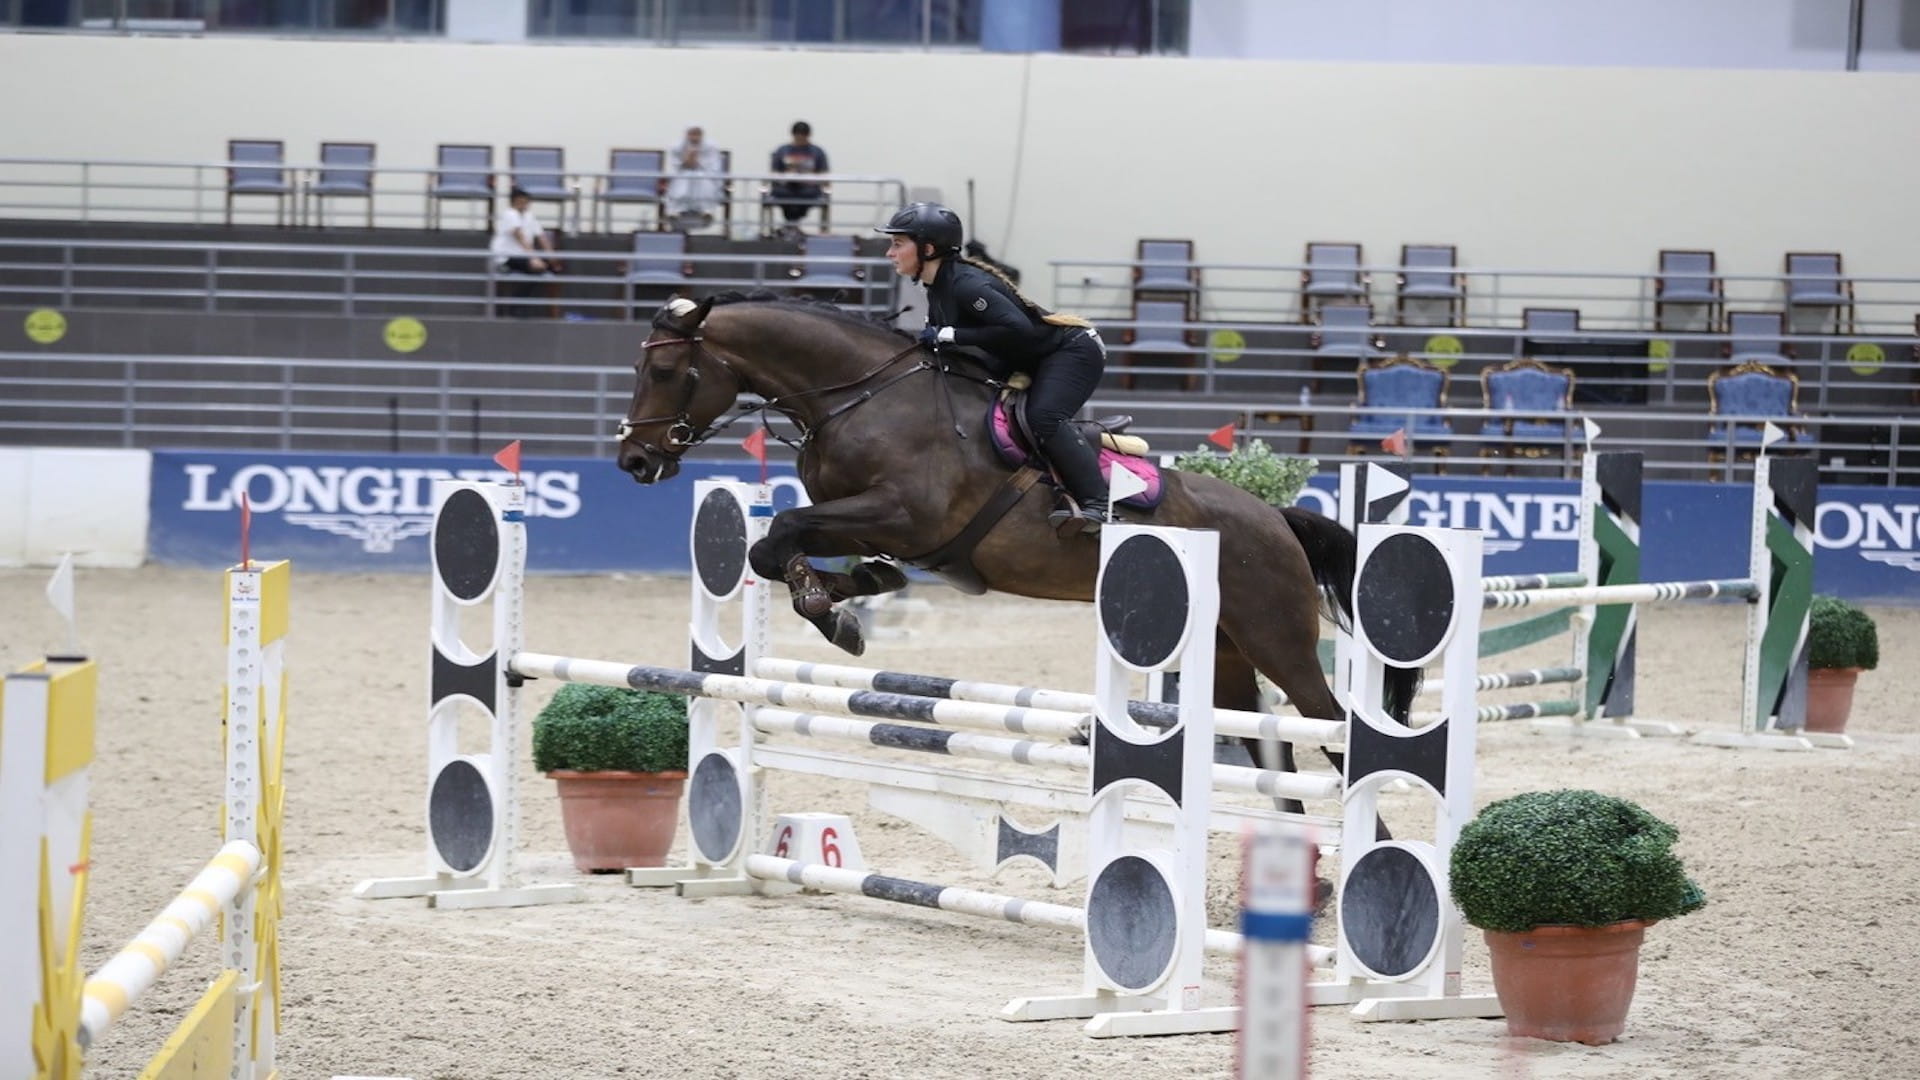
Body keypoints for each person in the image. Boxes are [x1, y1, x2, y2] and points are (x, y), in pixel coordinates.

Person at [877, 201, 1111, 535]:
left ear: (927, 249)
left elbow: (1019, 328)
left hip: (1072, 352)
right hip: (1027, 356)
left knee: (1043, 416)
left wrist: (949, 334)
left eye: (897, 243)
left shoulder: (966, 285)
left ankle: (1098, 504)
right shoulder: (938, 287)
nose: (890, 253)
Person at [490, 186, 560, 317]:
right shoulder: (509, 214)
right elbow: (519, 236)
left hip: (523, 257)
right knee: (537, 268)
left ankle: (517, 305)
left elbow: (541, 237)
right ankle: (515, 307)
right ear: (513, 202)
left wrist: (552, 257)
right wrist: (534, 258)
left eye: (526, 202)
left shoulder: (529, 216)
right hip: (507, 258)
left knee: (545, 269)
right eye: (520, 202)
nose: (524, 205)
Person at [768, 120, 829, 238]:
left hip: (808, 188)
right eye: (798, 136)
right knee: (784, 195)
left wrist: (809, 175)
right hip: (786, 187)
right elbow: (774, 173)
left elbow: (824, 173)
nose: (800, 139)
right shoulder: (782, 150)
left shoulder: (817, 152)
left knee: (805, 196)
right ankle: (792, 226)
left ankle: (791, 226)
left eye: (803, 136)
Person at [665, 125, 724, 231]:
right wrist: (688, 159)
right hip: (681, 174)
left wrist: (697, 161)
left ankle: (706, 210)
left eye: (697, 134)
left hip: (705, 175)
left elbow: (713, 167)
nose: (695, 138)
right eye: (692, 134)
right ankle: (677, 210)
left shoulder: (711, 148)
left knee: (700, 178)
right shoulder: (677, 147)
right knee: (684, 179)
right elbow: (674, 167)